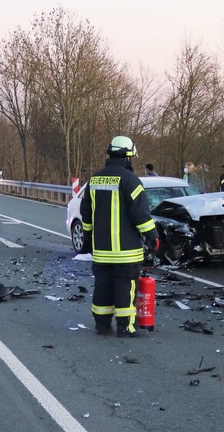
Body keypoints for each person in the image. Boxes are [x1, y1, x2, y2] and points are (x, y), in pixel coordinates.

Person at [82, 136, 159, 338]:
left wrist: (87, 239)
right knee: (125, 288)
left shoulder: (95, 179)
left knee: (103, 287)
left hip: (101, 251)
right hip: (126, 252)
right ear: (127, 157)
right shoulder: (130, 180)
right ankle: (126, 327)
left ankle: (102, 325)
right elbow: (141, 215)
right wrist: (153, 237)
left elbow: (86, 214)